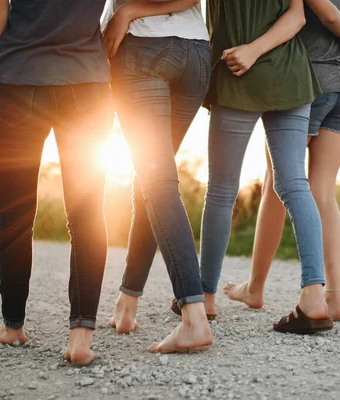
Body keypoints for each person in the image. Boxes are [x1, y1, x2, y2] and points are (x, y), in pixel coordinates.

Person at [0, 0, 113, 366]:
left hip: (18, 79)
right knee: (87, 213)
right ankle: (81, 336)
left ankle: (13, 325)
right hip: (86, 80)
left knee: (16, 213)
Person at [225, 0, 340, 321]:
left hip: (306, 87)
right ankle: (334, 299)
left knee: (277, 182)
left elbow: (333, 17)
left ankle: (255, 287)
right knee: (322, 191)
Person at [193, 0, 332, 333]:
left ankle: (205, 297)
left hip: (239, 72)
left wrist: (252, 51)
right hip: (290, 75)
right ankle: (314, 297)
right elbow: (296, 16)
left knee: (222, 191)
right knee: (295, 183)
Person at [102, 0, 213, 352]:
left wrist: (126, 12)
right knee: (149, 182)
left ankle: (194, 318)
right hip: (196, 53)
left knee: (157, 182)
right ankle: (127, 303)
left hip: (143, 49)